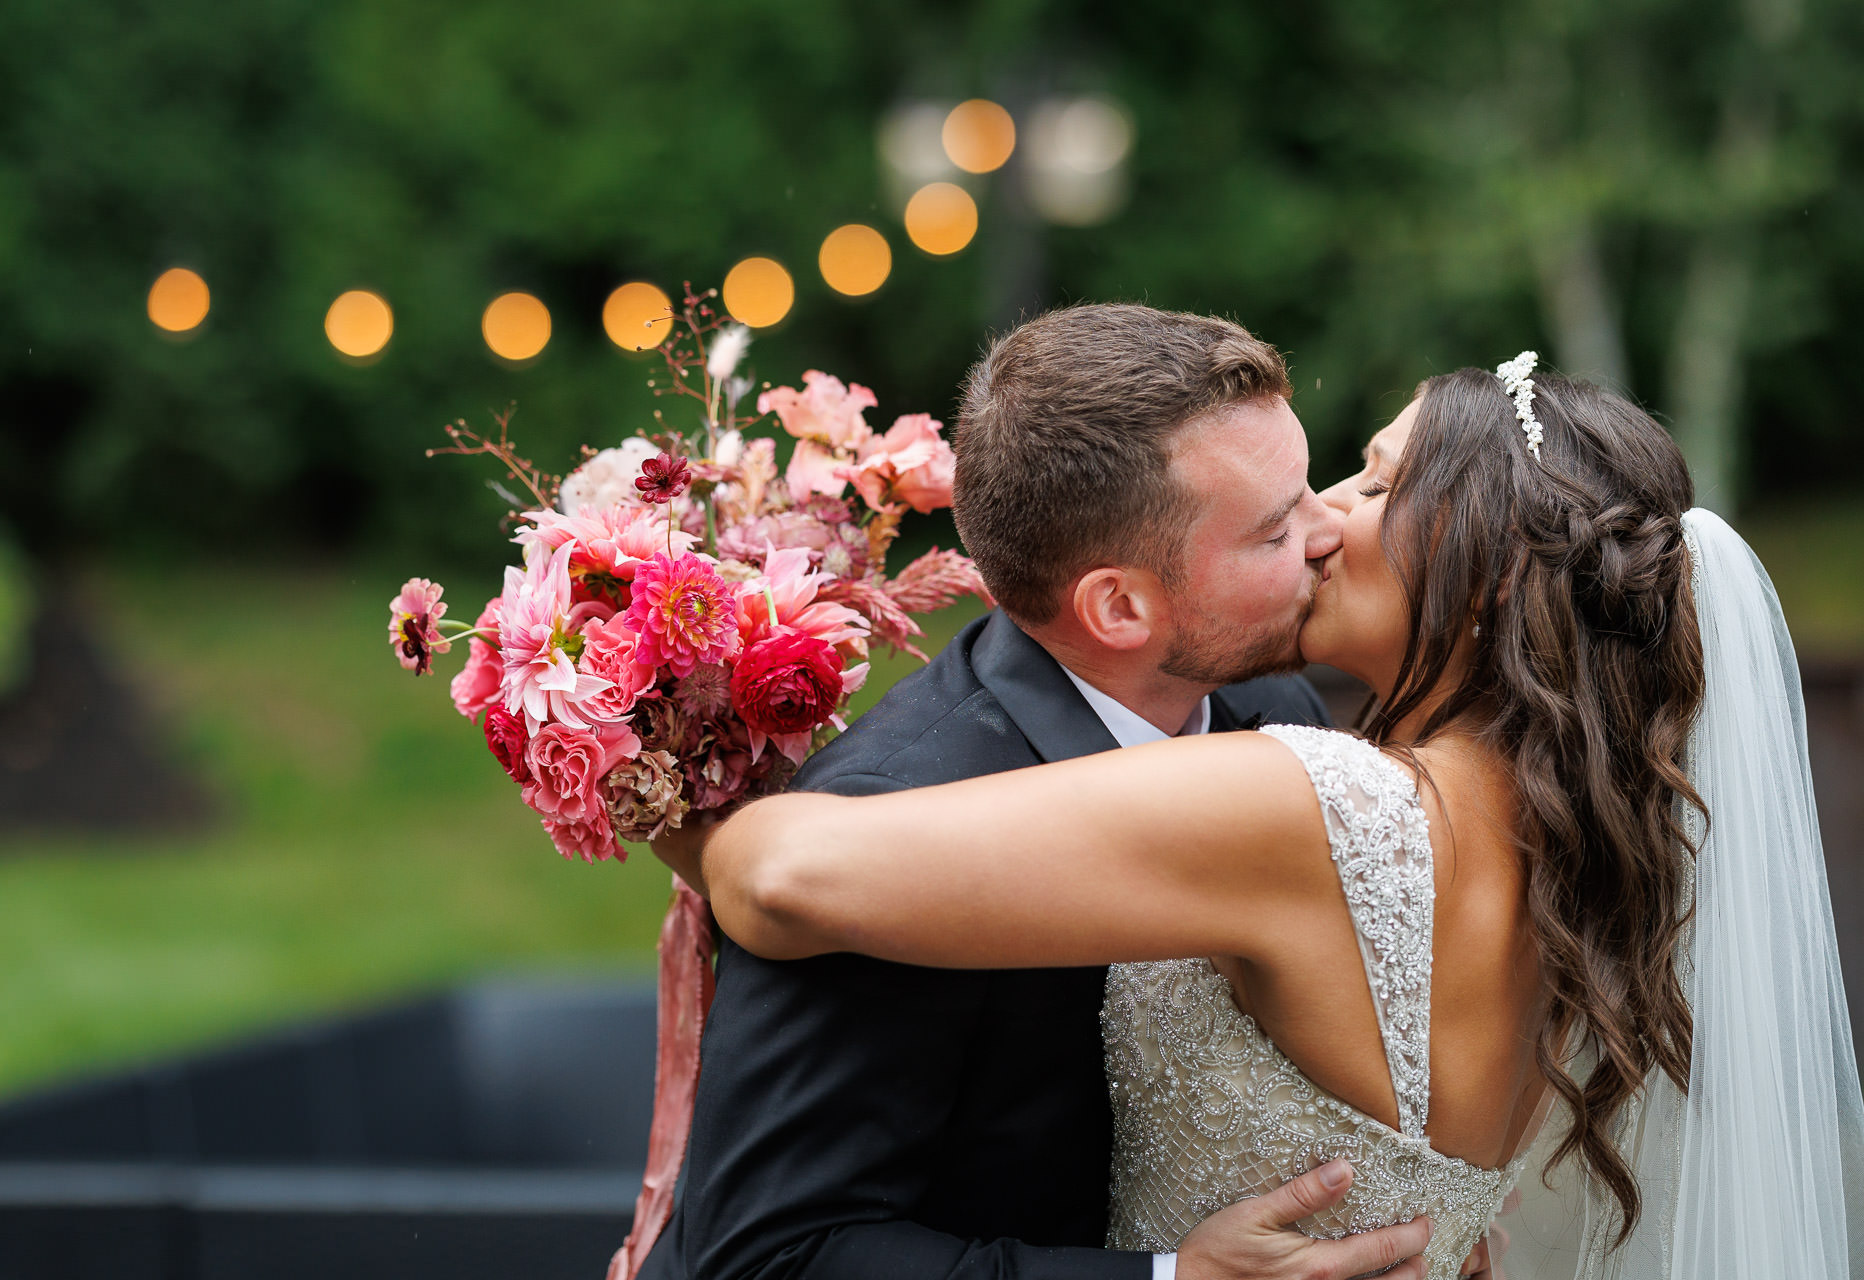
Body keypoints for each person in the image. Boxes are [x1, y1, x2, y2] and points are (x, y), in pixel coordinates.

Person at [690, 359, 1864, 1278]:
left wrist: (674, 792)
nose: (1325, 521)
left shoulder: (1317, 800)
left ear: (1496, 575)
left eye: (1374, 483)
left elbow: (776, 875)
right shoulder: (1560, 829)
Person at [636, 306, 1472, 1280]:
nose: (1332, 530)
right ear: (1119, 607)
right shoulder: (886, 818)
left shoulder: (1270, 706)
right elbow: (769, 1256)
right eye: (1278, 526)